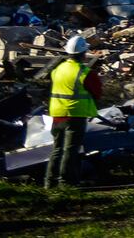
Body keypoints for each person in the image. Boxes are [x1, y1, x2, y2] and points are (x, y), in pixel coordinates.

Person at [46, 35, 101, 188]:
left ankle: (49, 183)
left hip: (57, 115)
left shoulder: (57, 69)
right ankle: (66, 184)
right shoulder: (85, 72)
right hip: (75, 115)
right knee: (70, 150)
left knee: (57, 149)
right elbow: (97, 92)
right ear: (84, 53)